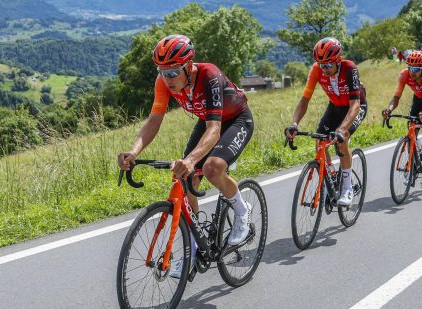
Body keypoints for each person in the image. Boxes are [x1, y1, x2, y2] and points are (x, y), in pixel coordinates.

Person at [117, 35, 255, 276]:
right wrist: (133, 151)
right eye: (162, 72)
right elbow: (154, 121)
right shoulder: (163, 83)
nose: (167, 79)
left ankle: (242, 211)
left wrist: (191, 160)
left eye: (173, 73)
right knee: (184, 179)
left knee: (212, 168)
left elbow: (215, 130)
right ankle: (193, 249)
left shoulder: (209, 75)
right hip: (208, 120)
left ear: (189, 67)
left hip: (236, 120)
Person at [285, 37, 367, 207]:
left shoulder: (349, 68)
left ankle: (347, 188)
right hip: (335, 106)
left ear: (338, 60)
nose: (325, 69)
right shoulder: (316, 70)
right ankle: (330, 173)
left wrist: (341, 129)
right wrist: (294, 124)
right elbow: (304, 100)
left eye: (328, 65)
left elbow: (355, 104)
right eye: (321, 65)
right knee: (320, 141)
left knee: (341, 140)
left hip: (355, 107)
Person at [382, 51, 422, 158]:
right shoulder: (404, 75)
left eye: (415, 69)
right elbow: (396, 97)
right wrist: (389, 110)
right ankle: (415, 156)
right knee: (411, 123)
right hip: (419, 97)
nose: (412, 72)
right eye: (410, 68)